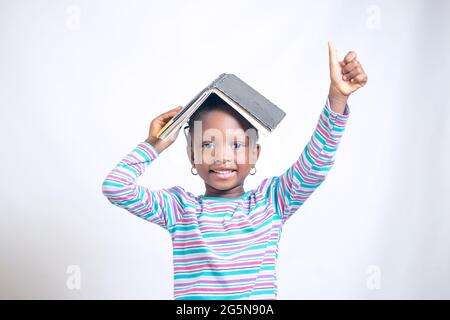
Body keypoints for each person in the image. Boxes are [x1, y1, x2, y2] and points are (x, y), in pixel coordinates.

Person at [101, 42, 368, 299]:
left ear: (255, 155)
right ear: (192, 156)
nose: (223, 156)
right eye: (207, 144)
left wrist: (337, 98)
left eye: (237, 144)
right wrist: (154, 144)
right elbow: (116, 188)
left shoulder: (271, 202)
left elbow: (315, 164)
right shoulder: (179, 209)